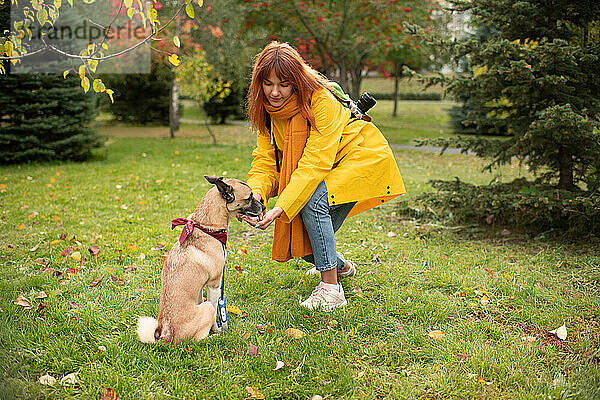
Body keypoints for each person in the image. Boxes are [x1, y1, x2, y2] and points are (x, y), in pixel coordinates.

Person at [239, 42, 405, 311]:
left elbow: (315, 164)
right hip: (327, 165)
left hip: (360, 158)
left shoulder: (320, 100)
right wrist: (255, 196)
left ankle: (331, 289)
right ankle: (343, 267)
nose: (275, 92)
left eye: (284, 84)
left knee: (311, 203)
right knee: (305, 243)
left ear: (297, 80)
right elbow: (265, 161)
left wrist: (281, 207)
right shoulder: (268, 112)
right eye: (268, 84)